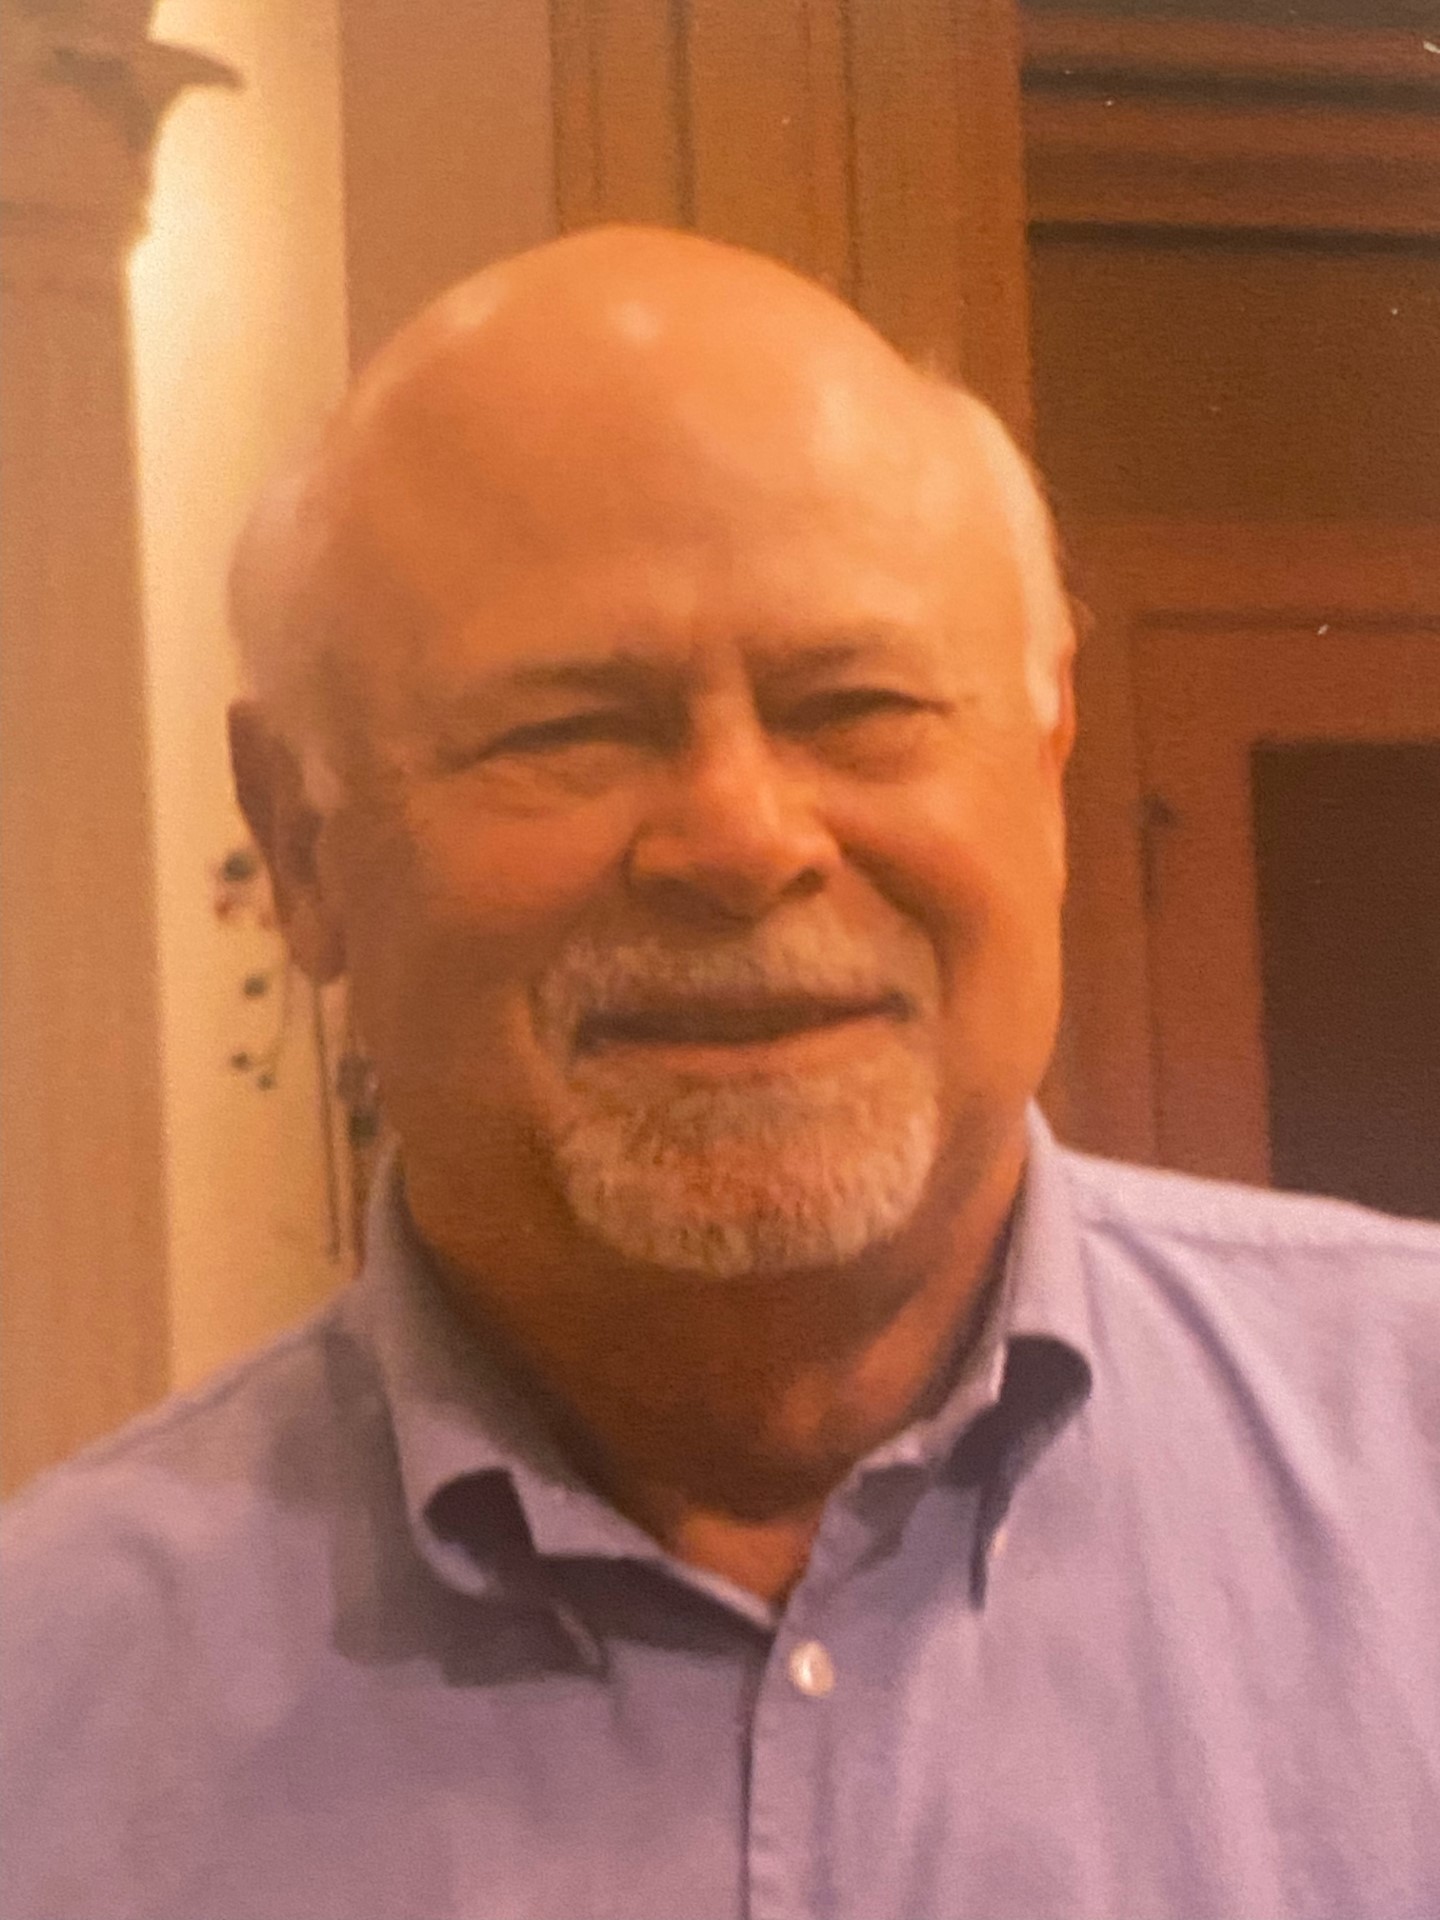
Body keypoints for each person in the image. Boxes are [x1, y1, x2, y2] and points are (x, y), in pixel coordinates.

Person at [3, 226, 1437, 1920]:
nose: (743, 840)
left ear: (1047, 766)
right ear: (299, 844)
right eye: (566, 729)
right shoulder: (49, 1714)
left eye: (860, 703)